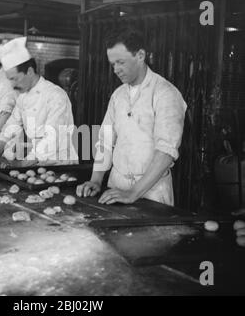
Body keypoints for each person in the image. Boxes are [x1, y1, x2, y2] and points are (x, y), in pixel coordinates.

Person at [77, 28, 187, 206]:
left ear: (141, 55)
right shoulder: (118, 95)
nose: (116, 70)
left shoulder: (165, 93)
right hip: (115, 187)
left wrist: (133, 193)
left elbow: (166, 151)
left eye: (120, 62)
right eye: (113, 64)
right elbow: (105, 141)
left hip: (152, 194)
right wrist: (96, 180)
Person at [0, 37, 78, 165]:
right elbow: (12, 124)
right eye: (10, 80)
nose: (13, 85)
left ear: (29, 71)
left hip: (59, 162)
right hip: (35, 160)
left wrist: (22, 164)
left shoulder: (55, 95)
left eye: (15, 79)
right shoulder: (23, 96)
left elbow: (52, 137)